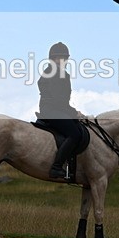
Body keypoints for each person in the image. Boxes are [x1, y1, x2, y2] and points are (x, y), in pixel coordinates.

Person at [38, 42, 84, 179]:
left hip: (54, 109)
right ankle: (56, 167)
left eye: (65, 58)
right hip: (52, 110)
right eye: (60, 58)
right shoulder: (57, 74)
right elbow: (59, 100)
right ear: (53, 59)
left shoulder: (52, 72)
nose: (64, 61)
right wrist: (74, 113)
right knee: (75, 134)